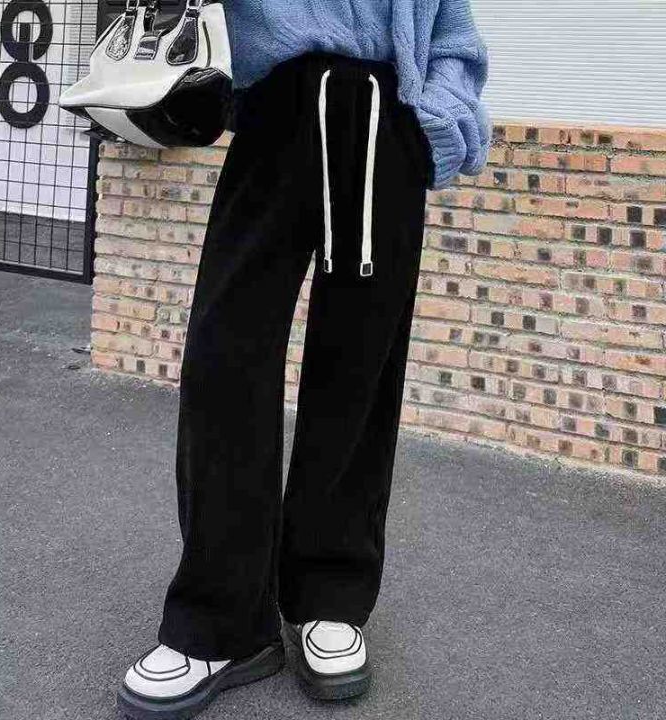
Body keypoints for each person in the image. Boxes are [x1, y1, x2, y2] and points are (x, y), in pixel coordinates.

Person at [118, 0, 490, 717]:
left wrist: (433, 122)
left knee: (359, 373)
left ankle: (330, 593)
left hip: (385, 122)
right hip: (274, 110)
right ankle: (222, 620)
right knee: (225, 361)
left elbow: (453, 35)